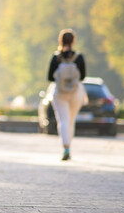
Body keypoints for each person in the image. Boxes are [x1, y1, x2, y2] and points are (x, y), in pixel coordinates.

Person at [47, 29, 88, 161]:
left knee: (63, 120)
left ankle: (66, 148)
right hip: (76, 92)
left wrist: (61, 80)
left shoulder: (56, 57)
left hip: (60, 92)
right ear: (73, 41)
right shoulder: (79, 57)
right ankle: (69, 145)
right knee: (71, 120)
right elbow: (82, 77)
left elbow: (49, 77)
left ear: (60, 40)